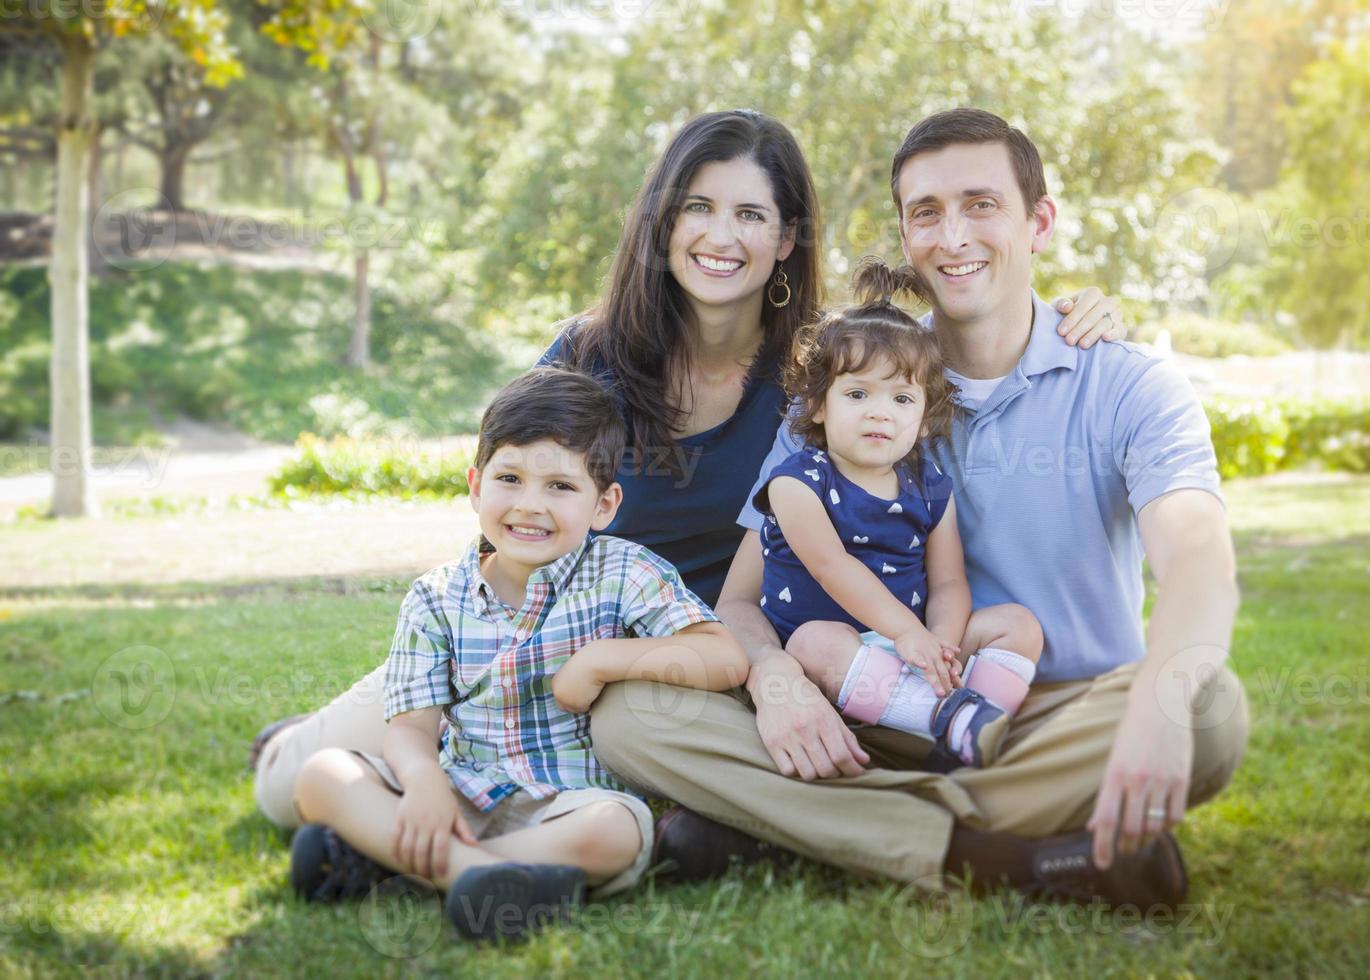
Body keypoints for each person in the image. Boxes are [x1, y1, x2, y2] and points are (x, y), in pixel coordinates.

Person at [248, 110, 1123, 832]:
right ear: (663, 221)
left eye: (751, 215)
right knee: (288, 792)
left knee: (622, 776)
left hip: (714, 667)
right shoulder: (586, 356)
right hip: (544, 647)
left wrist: (1083, 309)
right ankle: (303, 746)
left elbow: (935, 356)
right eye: (698, 207)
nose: (720, 236)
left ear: (786, 240)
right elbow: (505, 526)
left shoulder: (819, 375)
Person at [587, 108, 1250, 908]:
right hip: (862, 708)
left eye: (981, 205)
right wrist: (775, 680)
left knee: (1204, 704)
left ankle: (806, 826)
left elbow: (1199, 556)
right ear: (905, 237)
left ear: (1038, 222)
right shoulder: (852, 382)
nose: (954, 235)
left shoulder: (1128, 385)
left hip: (1040, 721)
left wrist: (1153, 705)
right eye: (926, 213)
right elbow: (741, 596)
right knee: (631, 714)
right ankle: (1006, 856)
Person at [288, 368, 748, 943]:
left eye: (560, 487)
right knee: (323, 775)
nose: (530, 505)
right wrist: (425, 782)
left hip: (568, 804)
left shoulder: (625, 571)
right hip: (461, 791)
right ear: (476, 486)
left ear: (604, 504)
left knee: (619, 830)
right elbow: (410, 728)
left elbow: (723, 656)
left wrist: (603, 659)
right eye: (510, 478)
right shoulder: (435, 596)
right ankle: (482, 876)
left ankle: (392, 866)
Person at [754, 256, 1043, 772]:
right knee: (813, 642)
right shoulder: (797, 481)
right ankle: (947, 722)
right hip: (832, 661)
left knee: (1016, 625)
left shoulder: (929, 486)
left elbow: (950, 582)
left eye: (902, 397)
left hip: (912, 651)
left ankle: (969, 723)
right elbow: (832, 567)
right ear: (818, 405)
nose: (880, 411)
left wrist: (942, 648)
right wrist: (907, 634)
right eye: (858, 393)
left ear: (924, 414)